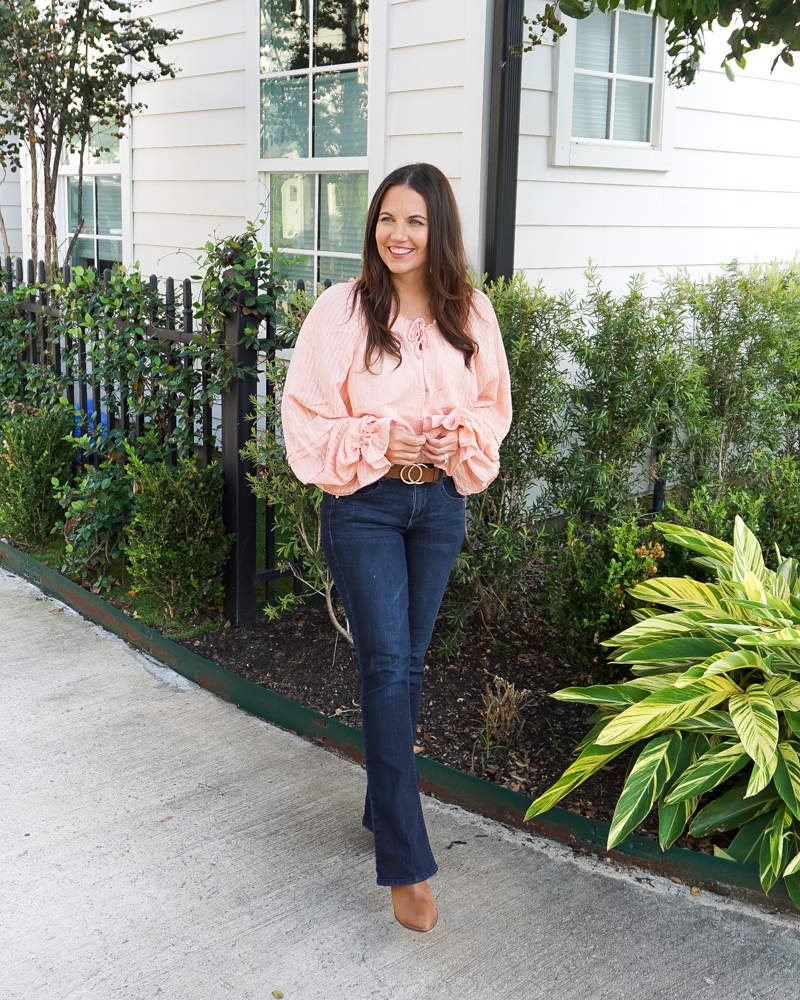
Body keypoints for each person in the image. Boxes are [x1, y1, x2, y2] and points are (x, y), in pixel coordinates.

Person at [281, 162, 512, 932]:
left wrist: (458, 435)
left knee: (408, 665)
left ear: (436, 229)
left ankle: (384, 810)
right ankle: (406, 866)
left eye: (414, 221)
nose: (397, 235)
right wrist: (383, 433)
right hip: (367, 504)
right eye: (386, 219)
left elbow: (493, 408)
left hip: (440, 502)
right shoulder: (341, 310)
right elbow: (306, 415)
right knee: (384, 663)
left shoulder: (469, 313)